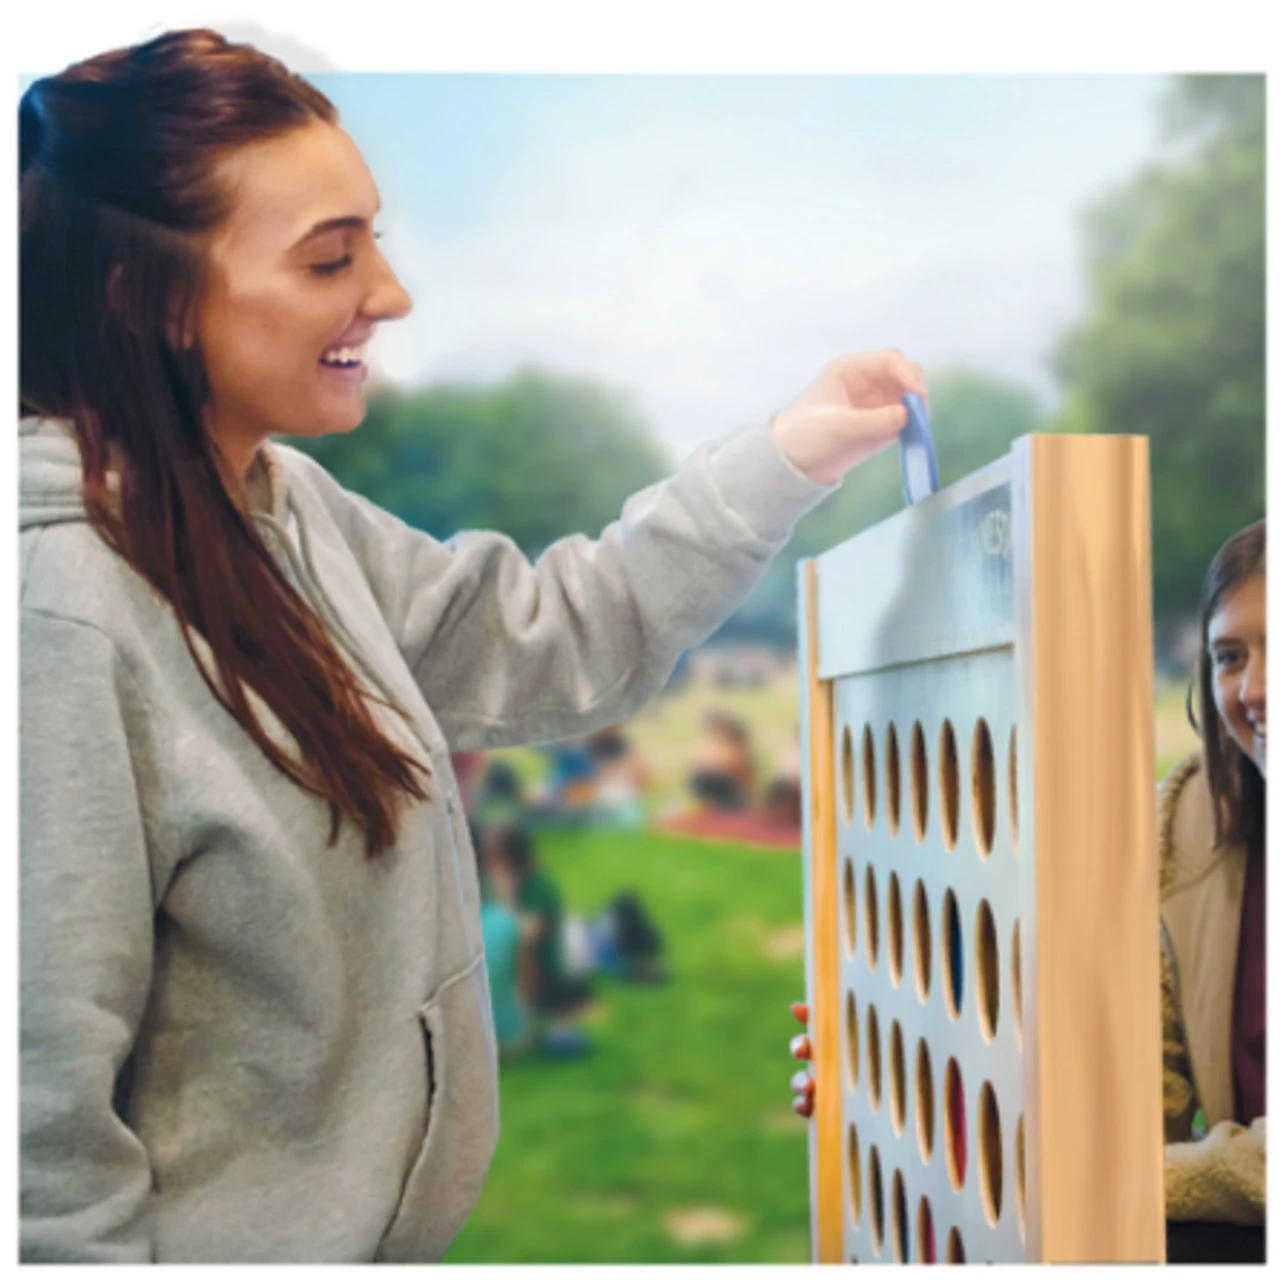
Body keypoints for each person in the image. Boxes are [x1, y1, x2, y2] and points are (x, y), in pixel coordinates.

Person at [19, 27, 929, 1264]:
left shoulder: (286, 510)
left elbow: (554, 640)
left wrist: (787, 454)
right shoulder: (55, 612)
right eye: (331, 257)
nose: (387, 293)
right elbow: (37, 1149)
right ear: (149, 299)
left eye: (375, 238)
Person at [787, 521, 1266, 1262]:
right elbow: (1138, 1098)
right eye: (1230, 656)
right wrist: (888, 1087)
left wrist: (1111, 1180)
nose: (1255, 688)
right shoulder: (1195, 818)